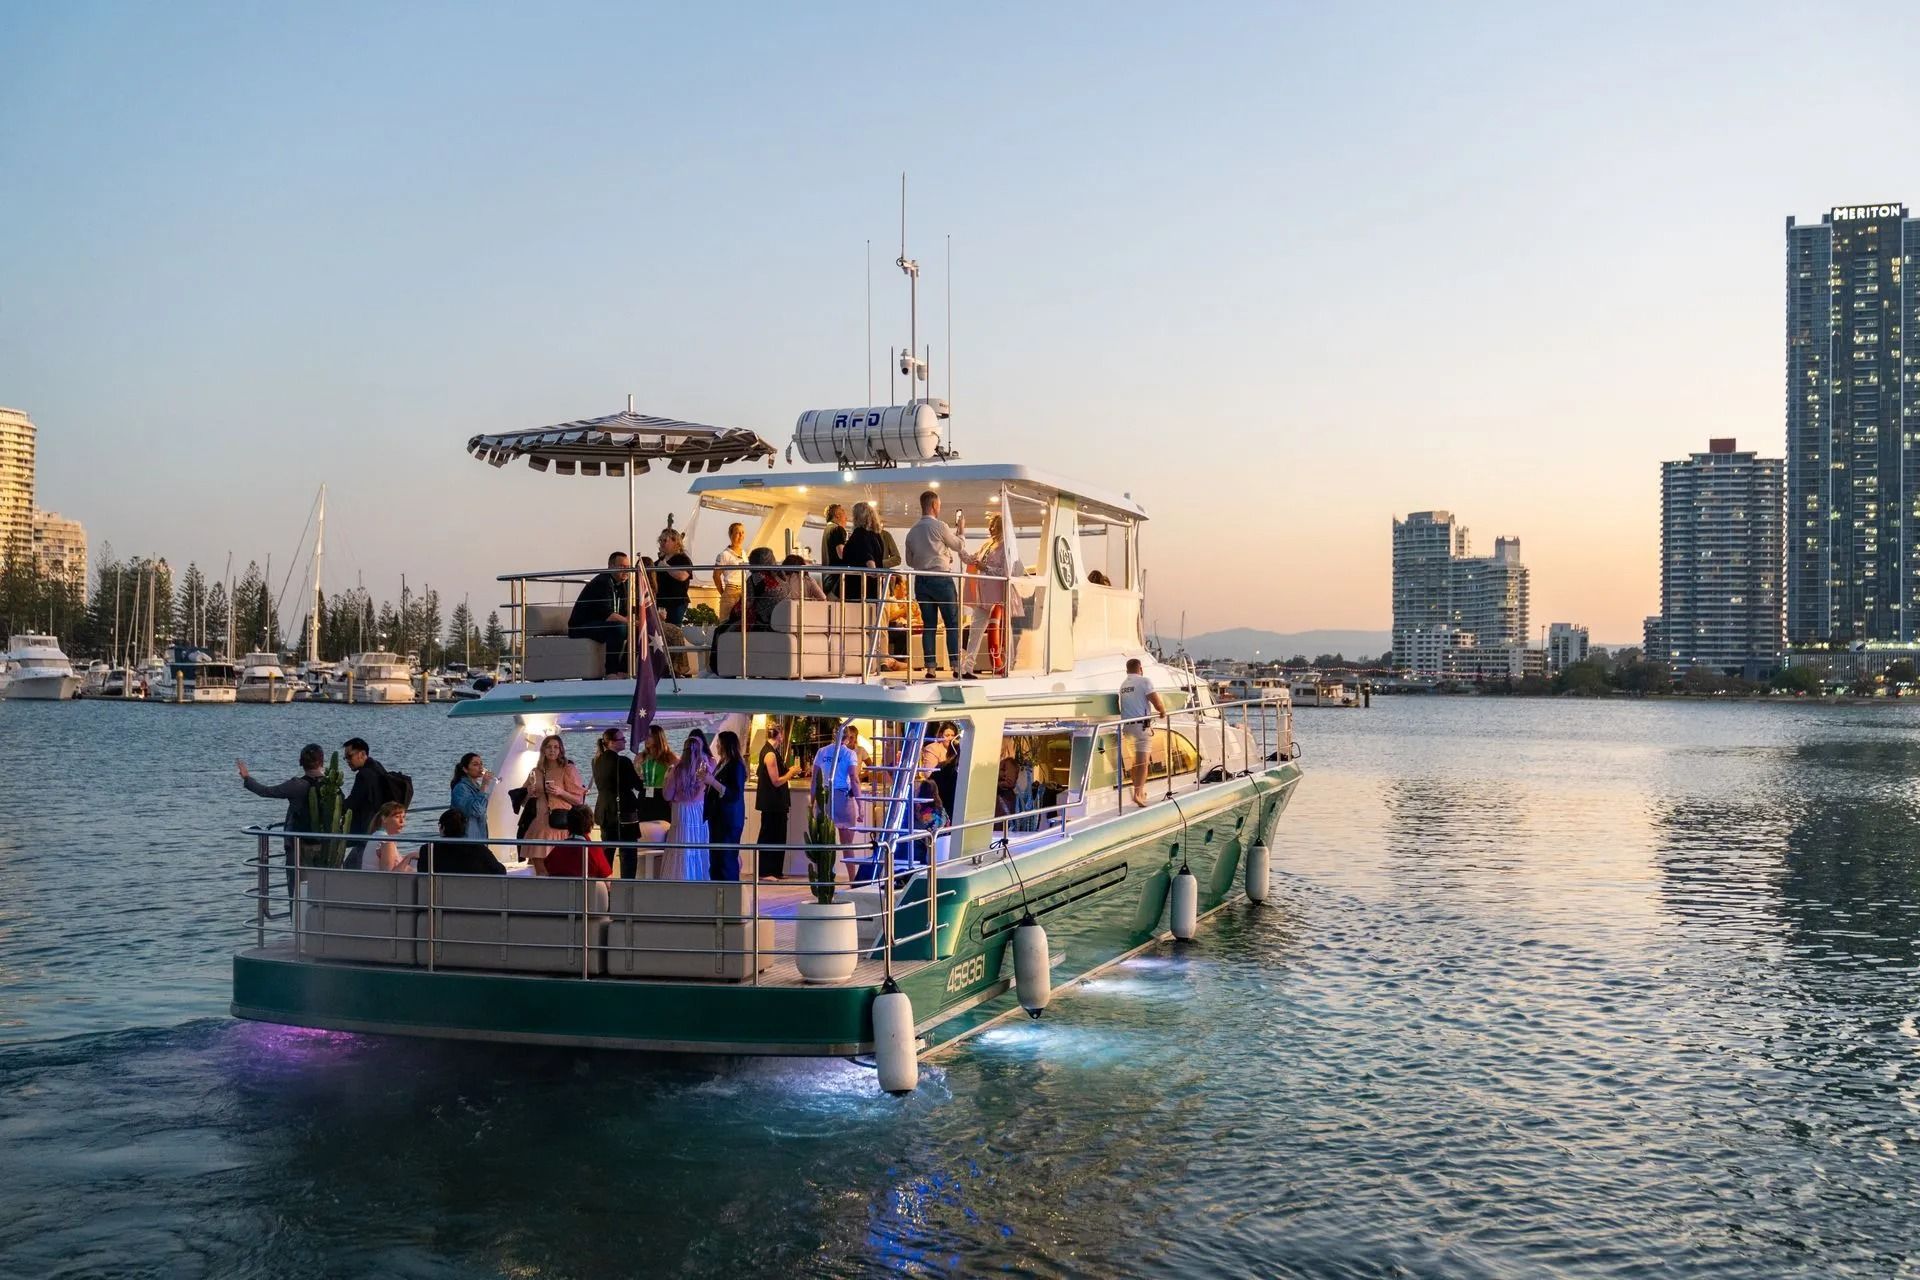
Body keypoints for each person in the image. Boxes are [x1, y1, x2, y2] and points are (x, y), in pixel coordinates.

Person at [236, 743, 325, 896]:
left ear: (300, 762)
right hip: (324, 844)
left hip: (298, 846)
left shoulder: (296, 785)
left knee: (297, 890)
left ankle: (296, 918)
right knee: (323, 888)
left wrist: (247, 778)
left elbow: (266, 791)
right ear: (322, 761)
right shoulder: (331, 785)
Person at [903, 489, 976, 676]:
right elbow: (958, 545)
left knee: (929, 625)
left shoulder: (911, 532)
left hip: (921, 581)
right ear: (934, 505)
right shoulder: (940, 526)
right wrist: (961, 530)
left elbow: (910, 561)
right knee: (952, 622)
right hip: (941, 579)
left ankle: (931, 668)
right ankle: (956, 666)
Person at [965, 513, 1022, 676]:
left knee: (1005, 631)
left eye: (993, 526)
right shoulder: (986, 545)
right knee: (974, 631)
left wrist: (986, 568)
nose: (990, 529)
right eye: (990, 525)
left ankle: (1009, 665)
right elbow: (972, 559)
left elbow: (1007, 572)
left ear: (1001, 527)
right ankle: (967, 667)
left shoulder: (1007, 546)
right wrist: (959, 541)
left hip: (998, 597)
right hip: (982, 596)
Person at [522, 734, 585, 873]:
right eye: (549, 747)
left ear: (561, 750)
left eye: (556, 747)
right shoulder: (535, 771)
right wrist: (529, 792)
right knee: (541, 871)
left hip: (559, 825)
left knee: (560, 871)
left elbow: (578, 800)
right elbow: (522, 801)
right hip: (539, 826)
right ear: (543, 750)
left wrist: (561, 792)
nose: (552, 750)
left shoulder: (568, 769)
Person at [665, 731, 723, 879]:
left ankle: (680, 877)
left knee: (681, 844)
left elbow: (667, 795)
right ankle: (699, 877)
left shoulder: (676, 770)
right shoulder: (706, 767)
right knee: (698, 843)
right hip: (699, 809)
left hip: (681, 810)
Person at [567, 550, 632, 675]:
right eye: (622, 567)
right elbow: (609, 616)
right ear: (611, 567)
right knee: (619, 628)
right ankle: (611, 672)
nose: (626, 571)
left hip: (601, 624)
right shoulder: (602, 582)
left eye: (628, 567)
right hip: (581, 627)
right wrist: (631, 621)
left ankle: (623, 670)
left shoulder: (622, 585)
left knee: (636, 630)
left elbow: (625, 613)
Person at [592, 727, 644, 878]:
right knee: (628, 855)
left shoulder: (596, 761)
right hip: (624, 812)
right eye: (622, 739)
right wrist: (640, 774)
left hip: (604, 811)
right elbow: (638, 785)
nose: (625, 741)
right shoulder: (623, 761)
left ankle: (603, 887)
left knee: (607, 851)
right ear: (612, 743)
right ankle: (626, 887)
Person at [754, 721, 801, 880]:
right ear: (779, 735)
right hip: (772, 802)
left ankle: (775, 870)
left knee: (778, 835)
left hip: (777, 803)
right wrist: (791, 772)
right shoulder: (770, 754)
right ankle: (766, 871)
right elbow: (776, 780)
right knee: (770, 834)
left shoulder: (773, 752)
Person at [1119, 658, 1168, 807]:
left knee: (1136, 761)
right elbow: (1156, 701)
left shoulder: (1124, 685)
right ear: (1140, 668)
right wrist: (1162, 711)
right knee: (1143, 762)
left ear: (1127, 670)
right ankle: (1138, 794)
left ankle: (1138, 791)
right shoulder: (1144, 681)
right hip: (1141, 727)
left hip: (1127, 727)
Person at [340, 737, 392, 870]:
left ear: (362, 754)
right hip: (379, 828)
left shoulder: (364, 775)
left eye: (349, 756)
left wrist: (337, 808)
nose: (347, 761)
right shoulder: (377, 767)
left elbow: (353, 801)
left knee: (350, 870)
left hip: (367, 831)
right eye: (345, 758)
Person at [705, 730, 748, 881]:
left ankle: (729, 894)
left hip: (728, 821)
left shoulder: (736, 766)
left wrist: (712, 782)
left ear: (725, 745)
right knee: (716, 859)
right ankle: (717, 892)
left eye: (719, 743)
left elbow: (734, 794)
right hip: (718, 818)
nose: (716, 745)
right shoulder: (722, 763)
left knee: (726, 859)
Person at [813, 723, 865, 847]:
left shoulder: (822, 751)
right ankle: (851, 867)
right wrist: (860, 806)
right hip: (842, 798)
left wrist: (812, 802)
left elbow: (814, 780)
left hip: (824, 797)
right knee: (847, 845)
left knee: (822, 843)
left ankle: (824, 867)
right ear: (847, 738)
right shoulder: (850, 754)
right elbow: (854, 778)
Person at [417, 808, 507, 876]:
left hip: (437, 898)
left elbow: (422, 875)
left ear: (443, 828)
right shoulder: (479, 849)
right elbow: (501, 871)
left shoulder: (428, 850)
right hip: (475, 896)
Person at [450, 752, 499, 864]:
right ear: (465, 769)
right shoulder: (461, 789)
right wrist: (484, 785)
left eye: (481, 764)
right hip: (468, 839)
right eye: (475, 764)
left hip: (478, 838)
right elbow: (476, 811)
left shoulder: (475, 787)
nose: (480, 767)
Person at [545, 804, 613, 879]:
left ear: (568, 825)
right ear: (590, 826)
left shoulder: (556, 851)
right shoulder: (595, 851)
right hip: (587, 890)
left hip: (561, 890)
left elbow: (547, 871)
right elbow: (609, 882)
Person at [840, 502, 888, 603]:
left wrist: (873, 571)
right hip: (875, 587)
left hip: (858, 587)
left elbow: (868, 558)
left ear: (857, 517)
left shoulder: (859, 534)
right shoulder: (876, 535)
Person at [636, 724, 677, 826]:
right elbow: (634, 777)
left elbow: (681, 774)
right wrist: (638, 775)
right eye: (645, 736)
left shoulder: (669, 757)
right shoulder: (641, 756)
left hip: (661, 796)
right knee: (644, 829)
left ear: (658, 737)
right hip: (644, 795)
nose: (646, 739)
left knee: (663, 828)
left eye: (649, 736)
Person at [653, 528, 695, 625]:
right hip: (660, 602)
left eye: (665, 540)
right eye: (660, 540)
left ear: (675, 542)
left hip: (676, 603)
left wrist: (666, 567)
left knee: (673, 629)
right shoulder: (658, 562)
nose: (662, 543)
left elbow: (682, 576)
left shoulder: (683, 559)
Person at [367, 801, 417, 873]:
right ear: (384, 819)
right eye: (397, 817)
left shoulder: (377, 835)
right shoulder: (386, 841)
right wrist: (409, 857)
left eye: (403, 817)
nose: (402, 821)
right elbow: (389, 876)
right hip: (380, 882)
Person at [714, 522, 749, 620]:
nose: (741, 535)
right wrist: (723, 593)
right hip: (731, 590)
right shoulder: (724, 555)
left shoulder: (744, 553)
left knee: (744, 621)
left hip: (744, 591)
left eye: (743, 532)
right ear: (731, 534)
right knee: (726, 620)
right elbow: (716, 576)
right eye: (738, 533)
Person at [820, 503, 851, 599]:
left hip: (827, 580)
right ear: (837, 515)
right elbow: (842, 554)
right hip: (836, 582)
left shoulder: (827, 530)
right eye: (844, 514)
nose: (847, 518)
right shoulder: (838, 529)